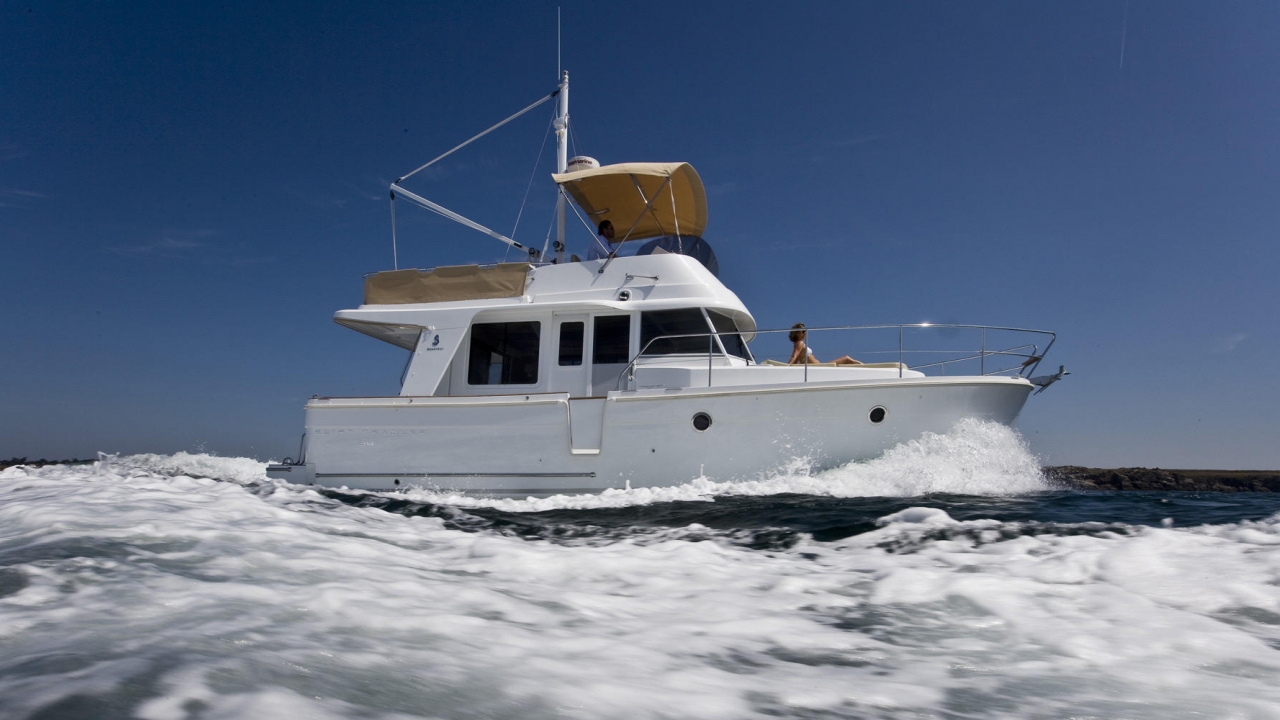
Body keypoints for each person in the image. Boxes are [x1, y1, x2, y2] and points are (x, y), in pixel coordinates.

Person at [788, 323, 861, 365]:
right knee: (846, 359)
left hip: (819, 366)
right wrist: (787, 367)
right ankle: (865, 367)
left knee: (846, 359)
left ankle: (864, 367)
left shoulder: (798, 344)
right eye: (803, 331)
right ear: (797, 333)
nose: (805, 332)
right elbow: (794, 356)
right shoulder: (799, 343)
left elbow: (795, 360)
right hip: (818, 367)